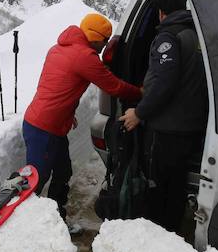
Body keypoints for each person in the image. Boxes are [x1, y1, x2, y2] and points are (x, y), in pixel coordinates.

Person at [23, 13, 142, 219]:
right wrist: (141, 93)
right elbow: (113, 86)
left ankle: (56, 220)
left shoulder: (58, 48)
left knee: (62, 173)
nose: (104, 47)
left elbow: (57, 85)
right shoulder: (85, 57)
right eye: (105, 41)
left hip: (44, 122)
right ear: (95, 37)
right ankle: (23, 226)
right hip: (45, 128)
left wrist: (68, 112)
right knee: (35, 181)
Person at [119, 0, 208, 235]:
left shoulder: (168, 37)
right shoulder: (196, 35)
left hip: (167, 128)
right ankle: (172, 231)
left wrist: (139, 113)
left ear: (161, 13)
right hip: (191, 126)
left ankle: (157, 235)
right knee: (176, 186)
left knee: (156, 185)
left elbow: (164, 82)